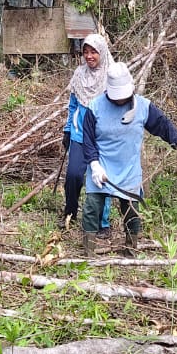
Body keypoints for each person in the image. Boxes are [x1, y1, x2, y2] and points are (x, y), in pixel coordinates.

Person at [80, 62, 177, 256]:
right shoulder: (95, 107)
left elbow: (163, 126)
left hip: (129, 167)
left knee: (131, 209)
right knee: (92, 206)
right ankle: (88, 252)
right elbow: (88, 140)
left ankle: (130, 248)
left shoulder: (143, 106)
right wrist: (94, 164)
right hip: (101, 165)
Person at [61, 33, 113, 233]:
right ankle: (70, 212)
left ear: (102, 52)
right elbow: (73, 105)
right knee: (73, 175)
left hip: (101, 137)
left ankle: (103, 222)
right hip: (79, 134)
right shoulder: (79, 74)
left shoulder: (110, 76)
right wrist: (67, 130)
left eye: (94, 52)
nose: (89, 56)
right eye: (86, 52)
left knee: (100, 178)